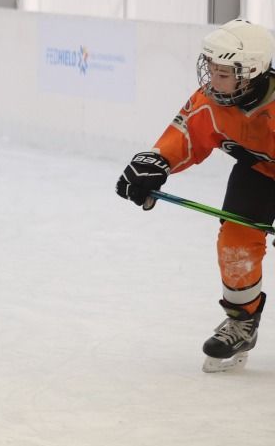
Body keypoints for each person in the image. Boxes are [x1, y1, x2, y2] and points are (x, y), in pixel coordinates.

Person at [116, 19, 275, 372]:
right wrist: (155, 163)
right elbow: (186, 135)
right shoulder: (212, 102)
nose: (212, 79)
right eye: (212, 69)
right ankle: (242, 322)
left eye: (223, 73)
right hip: (259, 173)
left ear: (251, 72)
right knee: (235, 243)